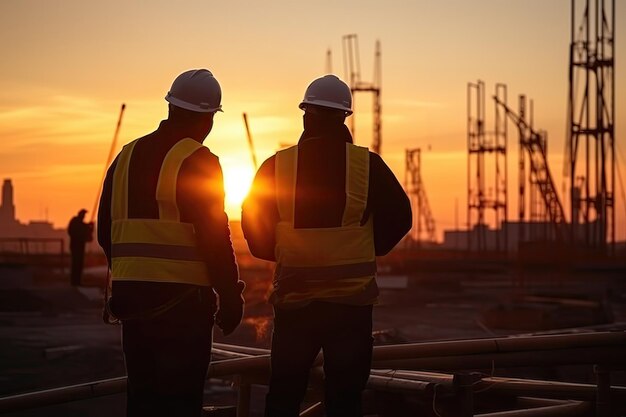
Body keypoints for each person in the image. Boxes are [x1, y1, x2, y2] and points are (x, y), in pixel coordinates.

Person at [242, 74, 412, 417]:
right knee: (345, 400)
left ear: (306, 115)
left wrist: (275, 251)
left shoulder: (277, 166)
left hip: (295, 306)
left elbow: (253, 226)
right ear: (345, 117)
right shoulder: (368, 166)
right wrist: (369, 246)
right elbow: (402, 217)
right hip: (350, 308)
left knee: (284, 397)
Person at [97, 69, 245, 417]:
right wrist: (230, 293)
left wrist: (132, 273)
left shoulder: (125, 157)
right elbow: (214, 234)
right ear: (208, 118)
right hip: (182, 307)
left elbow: (107, 232)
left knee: (143, 400)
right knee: (180, 401)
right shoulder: (198, 160)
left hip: (132, 302)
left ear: (170, 106)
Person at [67, 208, 93, 286]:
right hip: (76, 247)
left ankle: (77, 281)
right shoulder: (76, 222)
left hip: (80, 247)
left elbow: (88, 236)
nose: (84, 216)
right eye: (84, 215)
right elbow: (74, 231)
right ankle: (74, 282)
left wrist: (89, 227)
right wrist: (88, 227)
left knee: (79, 264)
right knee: (76, 264)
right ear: (81, 215)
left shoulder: (81, 224)